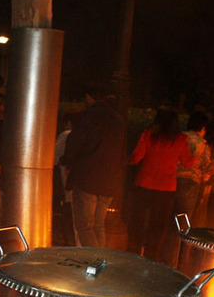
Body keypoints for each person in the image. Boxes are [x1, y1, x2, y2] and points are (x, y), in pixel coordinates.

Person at [62, 84, 126, 248]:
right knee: (98, 226)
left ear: (89, 97)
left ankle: (94, 263)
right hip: (109, 181)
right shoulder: (118, 120)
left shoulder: (86, 117)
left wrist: (67, 161)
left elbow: (74, 144)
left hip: (87, 177)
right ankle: (100, 262)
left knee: (84, 226)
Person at [128, 107, 194, 262]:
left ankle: (132, 257)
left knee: (137, 223)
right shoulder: (180, 140)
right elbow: (187, 162)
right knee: (158, 229)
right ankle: (151, 260)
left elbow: (136, 158)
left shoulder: (148, 135)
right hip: (166, 188)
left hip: (144, 184)